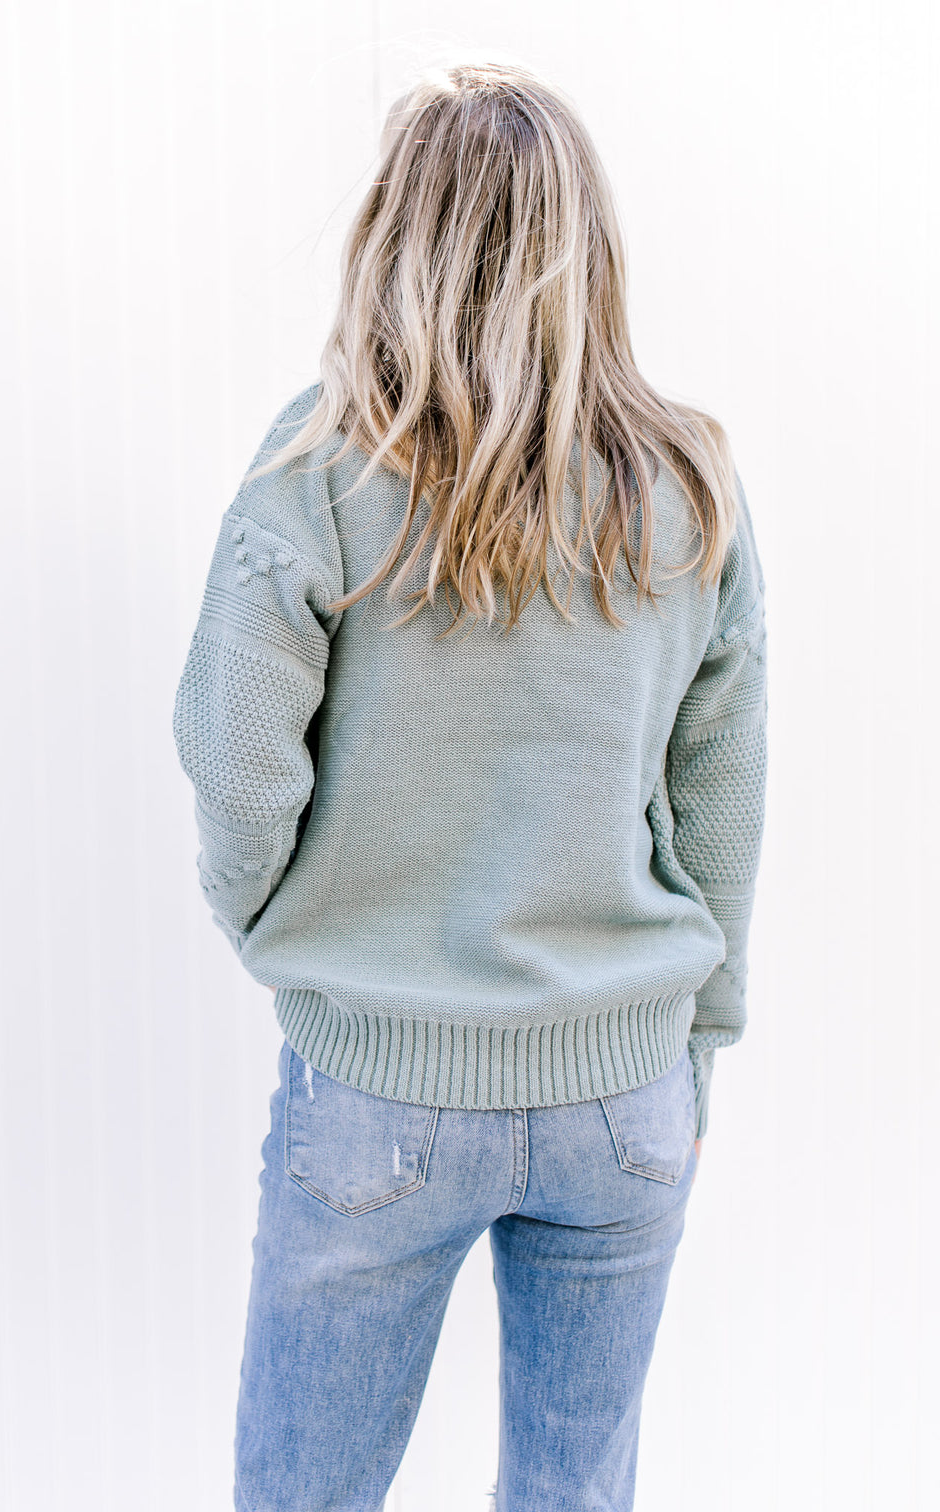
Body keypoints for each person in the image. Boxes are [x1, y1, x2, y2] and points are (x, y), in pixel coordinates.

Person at [172, 59, 767, 1512]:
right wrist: (704, 1037)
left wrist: (286, 936)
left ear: (394, 240)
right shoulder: (689, 487)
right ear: (592, 253)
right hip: (626, 1093)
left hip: (375, 1079)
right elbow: (725, 794)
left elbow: (233, 753)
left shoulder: (319, 467)